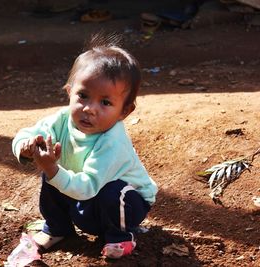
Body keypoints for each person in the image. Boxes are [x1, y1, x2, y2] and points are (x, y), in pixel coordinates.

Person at [12, 34, 158, 259]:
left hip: (126, 203)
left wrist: (52, 169)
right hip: (84, 197)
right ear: (69, 92)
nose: (90, 108)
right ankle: (58, 228)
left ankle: (120, 236)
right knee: (51, 172)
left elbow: (89, 186)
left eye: (105, 102)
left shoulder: (112, 142)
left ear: (124, 112)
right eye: (83, 96)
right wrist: (25, 145)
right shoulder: (62, 120)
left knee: (110, 190)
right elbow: (29, 133)